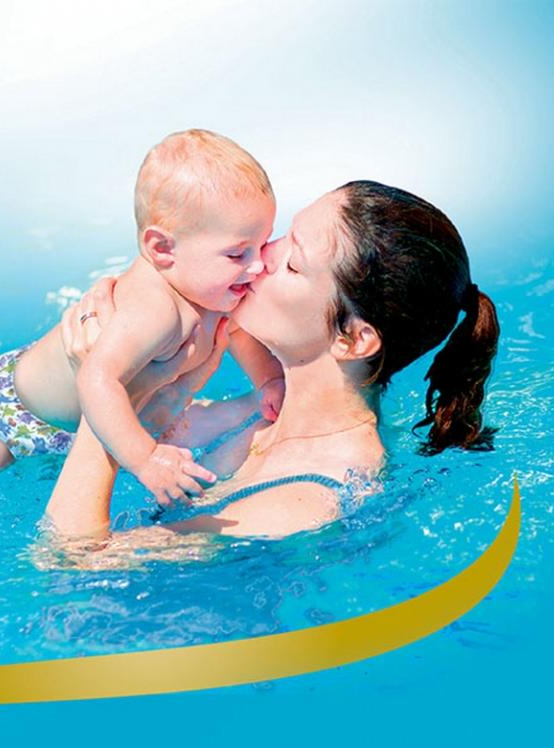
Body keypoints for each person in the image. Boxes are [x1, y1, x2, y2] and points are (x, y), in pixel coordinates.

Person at [44, 180, 499, 540]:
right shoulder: (268, 409)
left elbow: (72, 562)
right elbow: (149, 433)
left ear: (353, 339)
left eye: (293, 263)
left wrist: (106, 382)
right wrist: (132, 329)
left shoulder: (300, 504)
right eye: (284, 236)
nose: (261, 258)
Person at [0, 130, 285, 505]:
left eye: (262, 244)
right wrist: (146, 459)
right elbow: (96, 378)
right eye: (237, 254)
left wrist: (269, 379)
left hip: (77, 427)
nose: (257, 265)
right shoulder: (155, 309)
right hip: (7, 411)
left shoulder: (209, 285)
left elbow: (239, 331)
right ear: (162, 249)